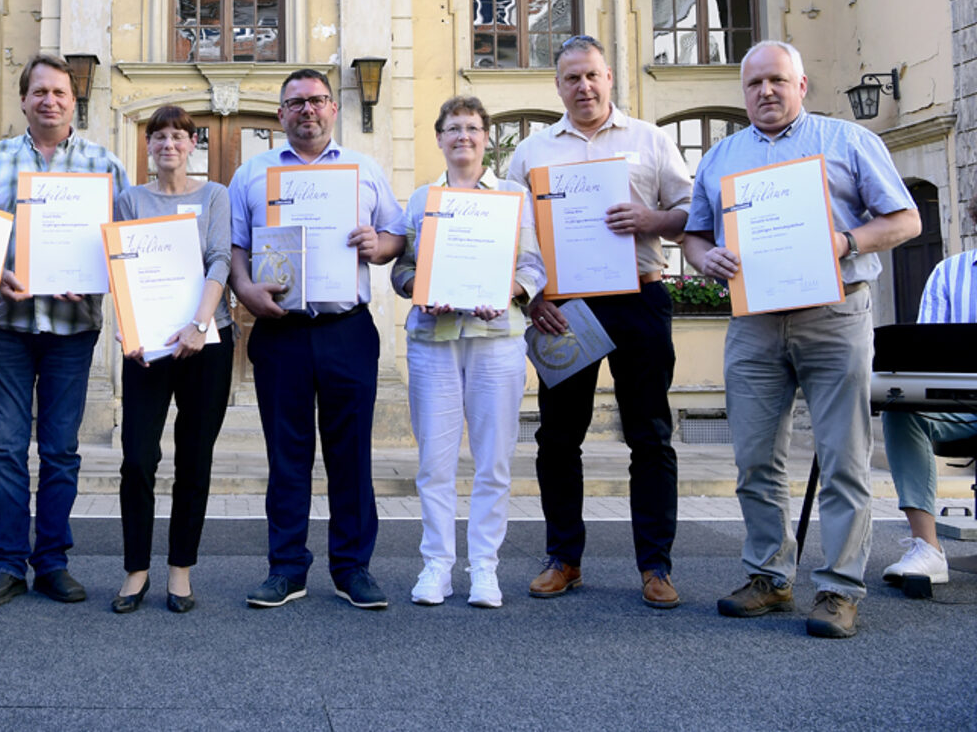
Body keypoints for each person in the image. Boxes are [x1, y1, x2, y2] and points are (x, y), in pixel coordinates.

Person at [682, 40, 919, 639]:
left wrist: (845, 243)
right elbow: (694, 234)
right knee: (754, 459)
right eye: (754, 83)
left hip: (833, 315)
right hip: (754, 324)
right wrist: (704, 258)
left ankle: (839, 589)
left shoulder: (849, 142)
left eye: (777, 81)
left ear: (801, 84)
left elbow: (906, 220)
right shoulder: (722, 156)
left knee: (842, 457)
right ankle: (769, 576)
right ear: (744, 92)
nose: (766, 91)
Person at [505, 34, 692, 609]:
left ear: (610, 77)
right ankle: (565, 559)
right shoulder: (531, 152)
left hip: (640, 297)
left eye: (592, 76)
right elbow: (512, 235)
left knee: (650, 436)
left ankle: (655, 566)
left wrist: (651, 217)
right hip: (563, 311)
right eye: (571, 79)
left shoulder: (651, 141)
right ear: (557, 86)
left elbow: (691, 216)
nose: (583, 87)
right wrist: (530, 301)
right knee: (559, 438)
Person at [229, 68, 406, 610]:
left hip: (346, 329)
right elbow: (236, 248)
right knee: (287, 455)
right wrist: (244, 291)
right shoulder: (252, 174)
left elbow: (397, 235)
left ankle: (353, 569)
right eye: (295, 102)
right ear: (280, 114)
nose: (307, 110)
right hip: (280, 330)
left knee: (350, 455)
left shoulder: (365, 169)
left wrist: (379, 245)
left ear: (333, 109)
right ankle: (286, 568)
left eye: (317, 101)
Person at [0, 53, 129, 607]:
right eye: (40, 93)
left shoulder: (105, 164)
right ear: (24, 99)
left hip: (73, 331)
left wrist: (99, 276)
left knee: (59, 451)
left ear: (73, 100)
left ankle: (52, 561)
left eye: (59, 92)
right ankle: (7, 564)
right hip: (7, 326)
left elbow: (128, 245)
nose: (49, 101)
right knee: (5, 449)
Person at [390, 96, 545, 609]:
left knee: (493, 461)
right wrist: (420, 287)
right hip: (433, 342)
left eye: (473, 128)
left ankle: (484, 568)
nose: (463, 136)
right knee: (434, 461)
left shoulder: (512, 196)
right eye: (453, 128)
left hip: (496, 340)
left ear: (485, 138)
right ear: (439, 138)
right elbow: (401, 269)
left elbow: (534, 268)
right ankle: (437, 565)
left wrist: (508, 293)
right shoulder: (421, 200)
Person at [111, 105, 233, 615]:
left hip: (206, 341)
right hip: (148, 348)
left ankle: (179, 569)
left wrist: (199, 325)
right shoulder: (130, 200)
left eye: (178, 136)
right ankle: (136, 569)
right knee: (138, 458)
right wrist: (127, 330)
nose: (167, 144)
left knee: (193, 459)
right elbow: (120, 265)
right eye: (157, 136)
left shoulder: (214, 196)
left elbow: (221, 259)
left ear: (191, 144)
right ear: (148, 147)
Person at [881, 192, 977, 587]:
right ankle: (927, 548)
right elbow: (923, 363)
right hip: (961, 408)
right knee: (901, 410)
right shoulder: (949, 273)